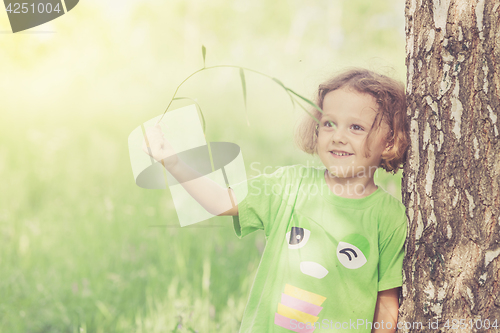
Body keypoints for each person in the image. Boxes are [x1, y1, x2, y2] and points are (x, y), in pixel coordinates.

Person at [143, 68, 410, 333]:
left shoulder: (390, 216)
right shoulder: (289, 185)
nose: (338, 136)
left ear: (389, 141)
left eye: (356, 127)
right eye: (329, 123)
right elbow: (220, 201)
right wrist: (173, 162)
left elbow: (386, 302)